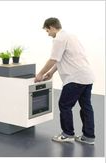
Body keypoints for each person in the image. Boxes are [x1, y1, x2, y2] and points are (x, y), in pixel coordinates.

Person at [35, 17, 95, 145]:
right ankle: (88, 137)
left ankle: (67, 134)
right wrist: (51, 72)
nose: (48, 34)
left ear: (51, 27)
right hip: (87, 76)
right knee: (86, 107)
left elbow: (53, 58)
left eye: (47, 31)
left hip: (75, 78)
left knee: (65, 105)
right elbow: (61, 58)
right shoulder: (71, 36)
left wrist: (40, 73)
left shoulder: (59, 39)